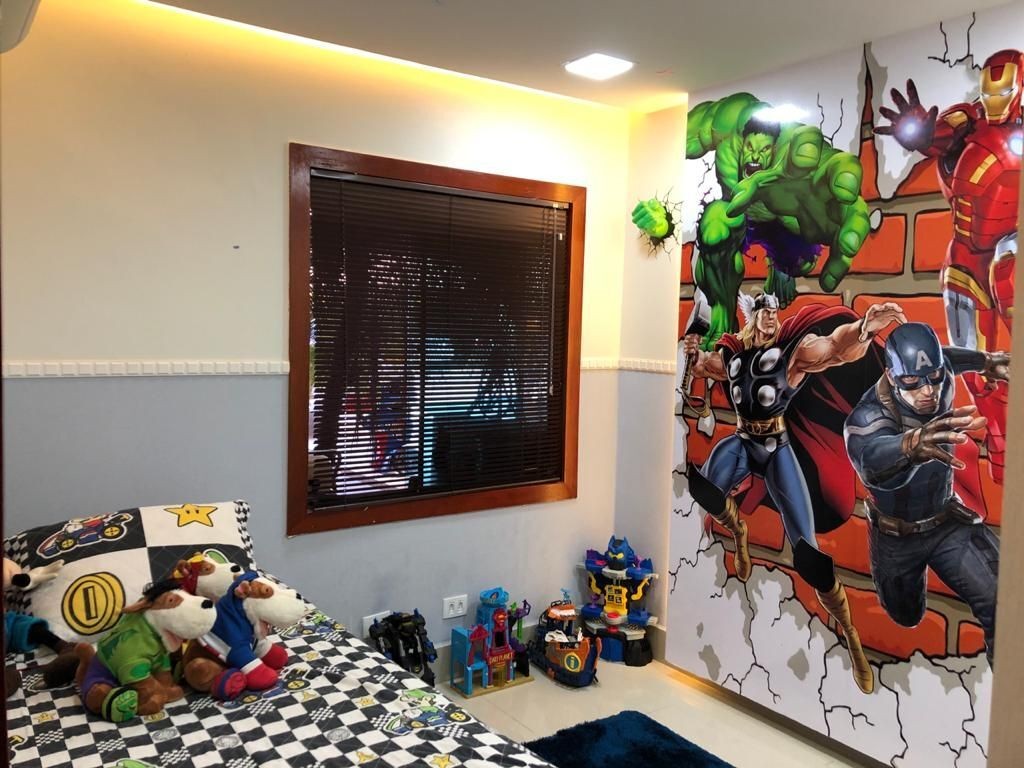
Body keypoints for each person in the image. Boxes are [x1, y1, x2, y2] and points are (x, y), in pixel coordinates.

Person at [685, 292, 905, 694]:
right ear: (751, 317)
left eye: (775, 312)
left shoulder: (791, 356)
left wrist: (863, 329)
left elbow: (833, 348)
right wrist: (692, 353)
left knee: (808, 554)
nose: (772, 318)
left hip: (776, 451)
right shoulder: (735, 358)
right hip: (742, 443)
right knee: (705, 488)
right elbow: (704, 366)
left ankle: (851, 635)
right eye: (764, 312)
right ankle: (738, 531)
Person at [844, 323, 1008, 665]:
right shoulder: (869, 415)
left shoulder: (939, 373)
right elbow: (871, 460)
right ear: (891, 376)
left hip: (947, 521)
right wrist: (910, 446)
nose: (928, 391)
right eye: (912, 382)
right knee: (906, 615)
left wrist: (985, 361)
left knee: (1003, 600)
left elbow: (947, 359)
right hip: (896, 537)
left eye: (933, 377)